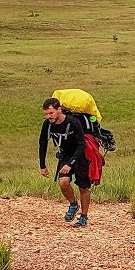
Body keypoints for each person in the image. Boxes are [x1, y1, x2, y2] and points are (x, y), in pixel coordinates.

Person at [39, 96, 94, 228]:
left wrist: (71, 164)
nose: (49, 116)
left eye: (51, 113)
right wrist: (42, 165)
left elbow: (82, 144)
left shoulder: (73, 122)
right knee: (63, 182)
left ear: (59, 110)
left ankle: (84, 217)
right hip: (65, 154)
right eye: (46, 114)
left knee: (83, 187)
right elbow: (42, 143)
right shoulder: (47, 125)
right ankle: (73, 204)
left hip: (80, 155)